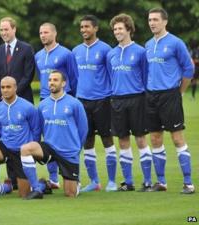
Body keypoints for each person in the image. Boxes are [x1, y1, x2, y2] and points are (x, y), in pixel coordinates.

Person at [145, 8, 195, 194]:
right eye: (150, 20)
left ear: (165, 22)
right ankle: (161, 182)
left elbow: (188, 69)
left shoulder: (175, 43)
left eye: (156, 19)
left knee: (176, 137)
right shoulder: (148, 44)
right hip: (151, 96)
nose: (152, 23)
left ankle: (188, 183)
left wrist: (179, 92)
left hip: (170, 95)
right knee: (155, 138)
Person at [20, 70, 88, 199]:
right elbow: (37, 129)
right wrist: (36, 146)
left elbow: (83, 129)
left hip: (68, 151)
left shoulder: (75, 103)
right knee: (26, 149)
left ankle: (58, 184)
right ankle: (36, 189)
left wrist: (77, 149)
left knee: (70, 194)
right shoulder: (43, 105)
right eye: (50, 80)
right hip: (50, 148)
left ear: (63, 83)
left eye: (55, 80)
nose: (51, 82)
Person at [0, 76, 41, 199]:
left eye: (8, 87)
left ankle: (41, 185)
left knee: (24, 194)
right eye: (2, 87)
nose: (5, 90)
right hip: (4, 147)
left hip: (22, 151)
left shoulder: (28, 107)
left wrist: (32, 153)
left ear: (15, 88)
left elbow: (36, 130)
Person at [107, 13, 152, 192]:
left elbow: (147, 76)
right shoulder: (111, 53)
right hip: (117, 100)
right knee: (123, 140)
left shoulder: (141, 51)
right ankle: (128, 182)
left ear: (129, 30)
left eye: (120, 28)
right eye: (115, 29)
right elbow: (111, 77)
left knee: (141, 139)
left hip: (137, 99)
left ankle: (148, 181)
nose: (117, 32)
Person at [72, 15, 117, 192]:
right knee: (87, 140)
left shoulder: (106, 49)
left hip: (103, 100)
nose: (84, 30)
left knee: (107, 138)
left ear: (96, 28)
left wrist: (112, 96)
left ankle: (112, 181)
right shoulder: (75, 51)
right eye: (81, 27)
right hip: (82, 101)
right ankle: (94, 181)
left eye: (87, 27)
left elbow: (113, 74)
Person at [35, 22, 79, 189]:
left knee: (65, 138)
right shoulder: (38, 55)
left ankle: (73, 175)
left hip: (64, 101)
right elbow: (41, 78)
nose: (43, 35)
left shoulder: (66, 54)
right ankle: (53, 179)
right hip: (45, 101)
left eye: (46, 32)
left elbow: (74, 78)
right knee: (48, 138)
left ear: (54, 33)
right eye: (40, 33)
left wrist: (70, 99)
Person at [0, 17, 35, 104]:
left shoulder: (26, 49)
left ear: (14, 29)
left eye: (6, 29)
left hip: (23, 98)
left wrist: (13, 93)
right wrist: (2, 93)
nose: (3, 33)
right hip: (2, 100)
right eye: (1, 30)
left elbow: (28, 75)